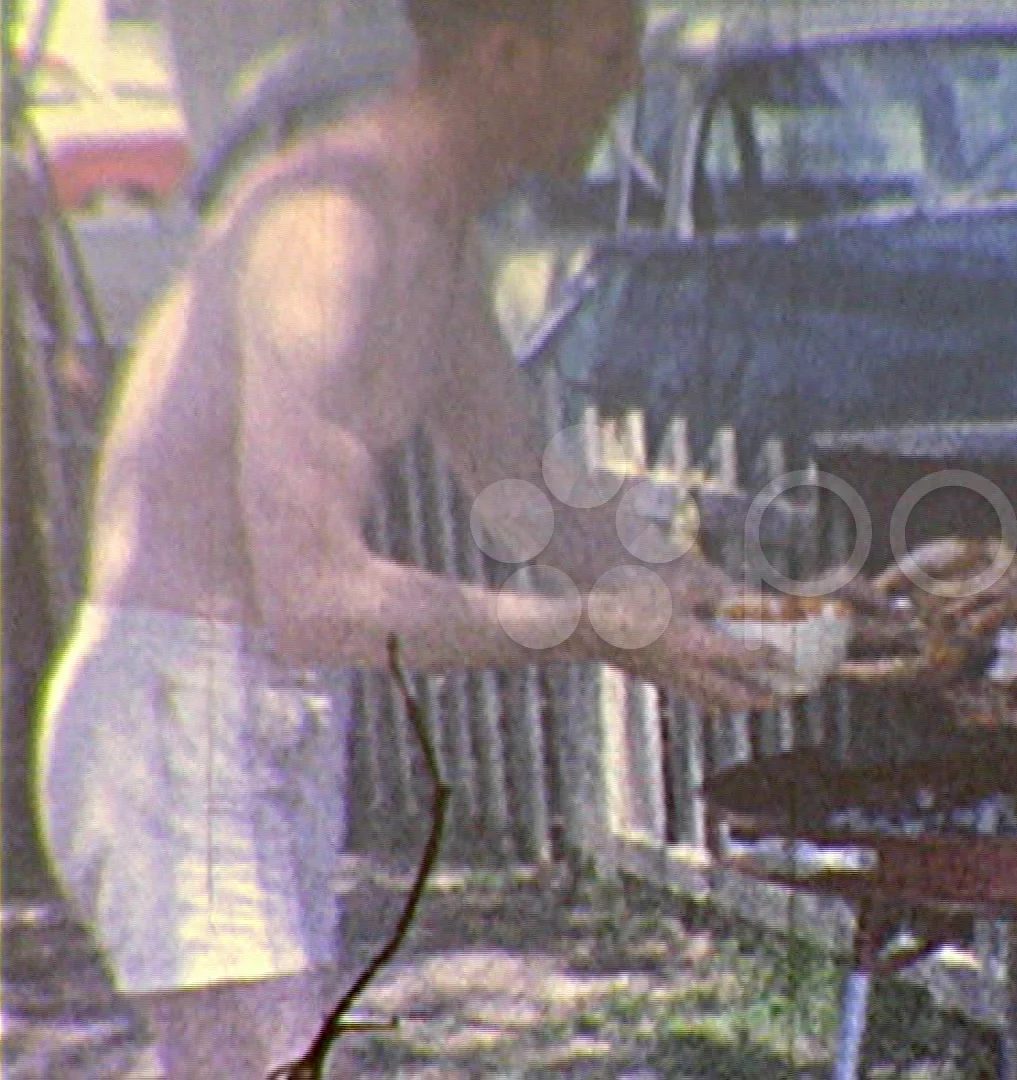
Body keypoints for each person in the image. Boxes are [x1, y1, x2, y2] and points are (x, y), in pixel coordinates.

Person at [35, 1, 789, 1076]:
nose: (627, 86)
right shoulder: (331, 233)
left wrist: (693, 590)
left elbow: (520, 490)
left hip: (253, 722)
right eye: (607, 54)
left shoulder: (431, 228)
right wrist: (601, 632)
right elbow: (322, 601)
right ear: (508, 54)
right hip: (178, 723)